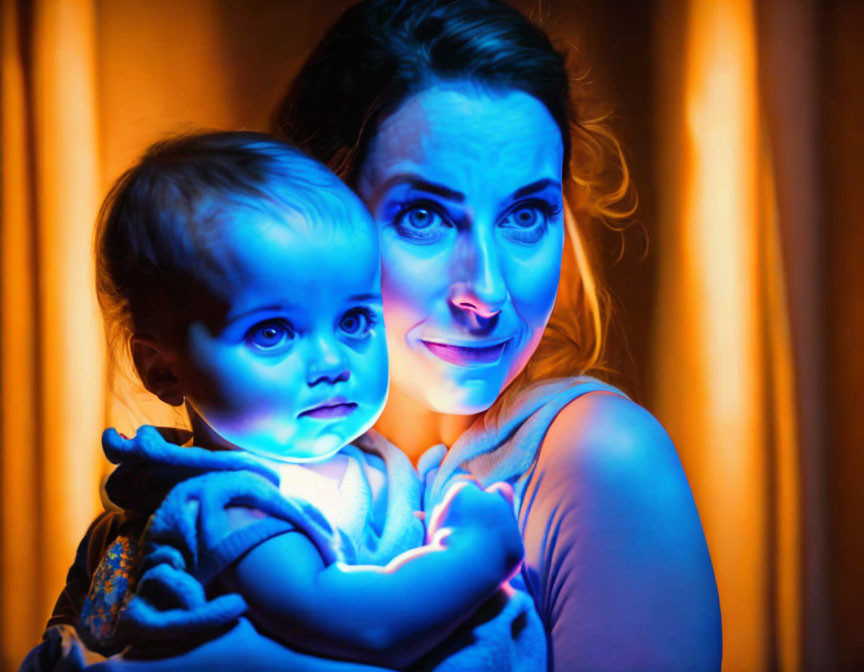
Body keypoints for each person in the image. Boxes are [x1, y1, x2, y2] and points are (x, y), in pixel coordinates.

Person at [26, 0, 722, 669]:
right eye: (424, 216)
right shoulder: (246, 480)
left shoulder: (599, 456)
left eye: (526, 215)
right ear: (320, 213)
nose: (486, 291)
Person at [21, 131, 542, 671]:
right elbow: (369, 628)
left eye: (355, 320)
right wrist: (475, 554)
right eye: (272, 333)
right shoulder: (228, 508)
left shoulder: (372, 465)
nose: (332, 363)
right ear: (162, 369)